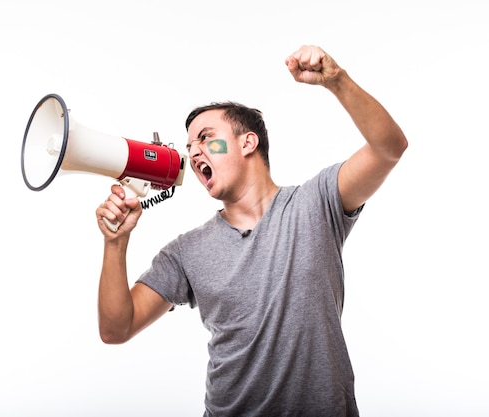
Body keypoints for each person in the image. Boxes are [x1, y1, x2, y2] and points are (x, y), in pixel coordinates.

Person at [95, 44, 408, 416]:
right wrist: (115, 244)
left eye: (206, 137)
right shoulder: (185, 252)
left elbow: (389, 147)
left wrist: (337, 81)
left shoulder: (317, 203)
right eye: (189, 146)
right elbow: (117, 329)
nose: (192, 154)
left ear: (248, 142)